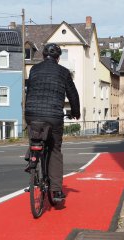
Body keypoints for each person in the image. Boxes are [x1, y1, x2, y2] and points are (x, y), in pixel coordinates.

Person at [25, 43, 80, 201]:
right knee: (54, 149)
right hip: (53, 116)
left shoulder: (34, 70)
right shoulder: (63, 72)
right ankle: (56, 191)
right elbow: (73, 95)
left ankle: (32, 163)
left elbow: (29, 91)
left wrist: (28, 112)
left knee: (35, 136)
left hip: (32, 113)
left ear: (43, 55)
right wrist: (75, 112)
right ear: (58, 57)